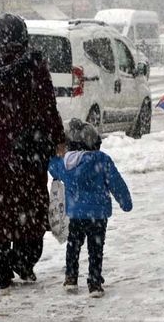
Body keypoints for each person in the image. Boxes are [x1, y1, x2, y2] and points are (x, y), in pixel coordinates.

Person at [0, 13, 66, 289]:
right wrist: (58, 138)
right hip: (29, 142)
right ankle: (24, 259)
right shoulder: (34, 63)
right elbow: (47, 105)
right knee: (28, 204)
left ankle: (1, 268)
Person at [48, 118, 132, 298]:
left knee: (73, 245)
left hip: (76, 214)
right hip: (98, 214)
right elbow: (116, 184)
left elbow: (53, 168)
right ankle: (94, 283)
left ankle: (71, 277)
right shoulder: (102, 160)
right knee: (96, 248)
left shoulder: (65, 163)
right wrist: (125, 203)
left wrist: (55, 152)